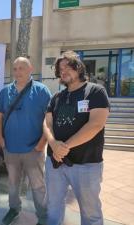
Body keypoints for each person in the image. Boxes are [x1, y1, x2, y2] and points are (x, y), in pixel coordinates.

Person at [43, 50, 110, 225]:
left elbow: (96, 124)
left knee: (91, 213)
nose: (63, 71)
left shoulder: (95, 92)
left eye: (68, 66)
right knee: (53, 208)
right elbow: (47, 123)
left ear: (78, 68)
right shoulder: (57, 97)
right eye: (60, 69)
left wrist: (63, 147)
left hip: (86, 164)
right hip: (55, 163)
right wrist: (53, 144)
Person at [0, 57, 51, 225]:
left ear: (30, 69)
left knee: (38, 186)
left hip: (34, 149)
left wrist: (42, 143)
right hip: (10, 148)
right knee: (13, 184)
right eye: (15, 68)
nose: (18, 72)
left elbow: (49, 120)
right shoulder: (5, 91)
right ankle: (14, 209)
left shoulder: (41, 90)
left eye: (22, 68)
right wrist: (0, 138)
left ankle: (42, 216)